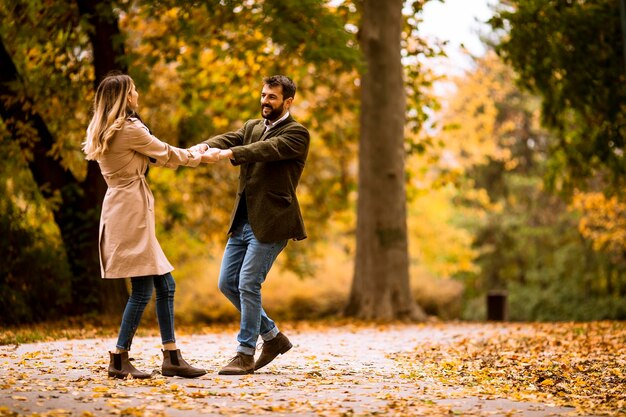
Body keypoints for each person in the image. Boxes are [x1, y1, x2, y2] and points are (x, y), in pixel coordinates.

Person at [83, 72, 221, 379]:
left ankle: (171, 356)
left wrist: (187, 155)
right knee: (144, 289)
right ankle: (119, 358)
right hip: (131, 211)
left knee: (165, 284)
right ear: (123, 98)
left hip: (125, 207)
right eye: (133, 90)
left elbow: (156, 156)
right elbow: (166, 153)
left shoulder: (107, 129)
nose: (137, 94)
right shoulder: (128, 129)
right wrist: (199, 156)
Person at [192, 75, 310, 375]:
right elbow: (232, 137)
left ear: (288, 101)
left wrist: (231, 154)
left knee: (247, 283)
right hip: (243, 220)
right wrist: (204, 146)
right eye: (263, 95)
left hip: (272, 222)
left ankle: (244, 353)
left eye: (271, 97)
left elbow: (267, 150)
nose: (264, 101)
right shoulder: (252, 126)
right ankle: (272, 337)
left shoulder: (297, 134)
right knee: (227, 283)